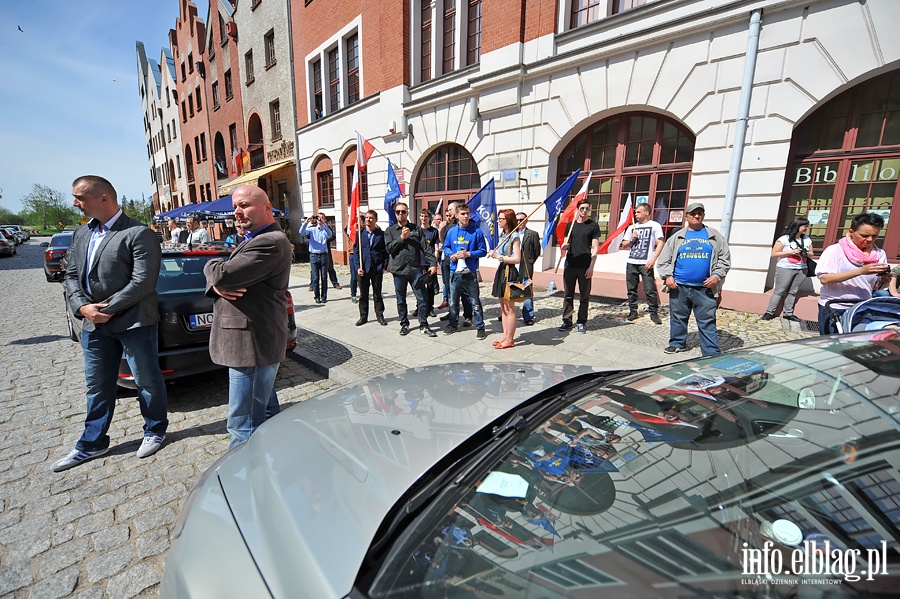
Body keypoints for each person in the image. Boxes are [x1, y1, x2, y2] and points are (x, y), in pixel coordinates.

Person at [53, 175, 168, 471]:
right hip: (94, 326)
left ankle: (154, 429)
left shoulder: (138, 233)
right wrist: (83, 307)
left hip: (134, 323)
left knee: (147, 381)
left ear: (104, 198)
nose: (74, 202)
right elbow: (70, 276)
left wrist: (105, 308)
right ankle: (91, 444)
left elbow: (142, 282)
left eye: (80, 197)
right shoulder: (81, 234)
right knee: (98, 386)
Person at [203, 185, 292, 448]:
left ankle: (241, 479)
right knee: (264, 413)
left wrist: (212, 271)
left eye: (245, 205)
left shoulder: (269, 242)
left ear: (267, 208)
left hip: (251, 343)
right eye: (235, 207)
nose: (238, 212)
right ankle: (276, 462)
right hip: (252, 342)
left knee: (243, 425)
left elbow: (222, 274)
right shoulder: (254, 238)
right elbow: (223, 278)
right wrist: (218, 281)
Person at [656, 202, 731, 356]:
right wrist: (667, 276)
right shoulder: (677, 237)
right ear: (687, 216)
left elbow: (724, 259)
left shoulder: (714, 236)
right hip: (679, 287)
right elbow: (664, 260)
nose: (697, 216)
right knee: (677, 318)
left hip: (704, 288)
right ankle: (677, 343)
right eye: (693, 213)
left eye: (700, 213)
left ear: (703, 215)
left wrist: (717, 276)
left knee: (707, 320)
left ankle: (710, 351)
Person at [815, 212, 890, 334]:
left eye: (874, 236)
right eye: (864, 235)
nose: (869, 240)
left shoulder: (879, 253)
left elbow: (875, 286)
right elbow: (825, 279)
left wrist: (885, 280)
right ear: (851, 232)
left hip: (861, 307)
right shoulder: (835, 250)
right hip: (835, 306)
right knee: (832, 346)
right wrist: (860, 271)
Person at [385, 202, 439, 337]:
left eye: (403, 211)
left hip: (415, 270)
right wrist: (401, 238)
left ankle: (424, 324)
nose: (401, 214)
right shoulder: (390, 231)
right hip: (399, 270)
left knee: (422, 298)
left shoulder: (416, 229)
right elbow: (389, 249)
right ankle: (404, 324)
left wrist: (433, 263)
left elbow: (426, 248)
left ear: (407, 213)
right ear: (395, 214)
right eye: (398, 212)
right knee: (401, 299)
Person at [442, 203, 488, 339]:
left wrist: (469, 254)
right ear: (456, 216)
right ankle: (453, 323)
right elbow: (446, 247)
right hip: (455, 272)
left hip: (470, 273)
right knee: (453, 301)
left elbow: (483, 251)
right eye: (463, 214)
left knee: (475, 301)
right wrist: (452, 254)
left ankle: (480, 326)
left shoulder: (476, 231)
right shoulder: (451, 231)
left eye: (467, 213)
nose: (466, 216)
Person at [559, 197, 600, 334]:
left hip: (584, 266)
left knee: (584, 296)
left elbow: (595, 248)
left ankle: (581, 322)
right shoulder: (570, 225)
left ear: (590, 210)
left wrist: (591, 267)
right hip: (570, 264)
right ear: (577, 210)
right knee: (568, 295)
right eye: (582, 208)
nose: (584, 211)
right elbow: (565, 243)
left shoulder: (593, 226)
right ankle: (567, 320)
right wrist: (564, 246)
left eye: (587, 208)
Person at [620, 202, 664, 324]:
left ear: (646, 212)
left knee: (650, 289)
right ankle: (633, 311)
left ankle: (653, 313)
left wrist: (653, 260)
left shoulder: (655, 226)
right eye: (635, 212)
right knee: (631, 289)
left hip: (646, 262)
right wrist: (632, 239)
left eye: (638, 212)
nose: (635, 214)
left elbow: (660, 243)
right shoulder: (631, 227)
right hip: (632, 262)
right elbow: (624, 244)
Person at [762, 217, 812, 322]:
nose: (806, 228)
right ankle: (769, 312)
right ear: (797, 226)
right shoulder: (784, 239)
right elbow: (774, 254)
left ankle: (788, 313)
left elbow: (811, 253)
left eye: (807, 226)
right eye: (805, 226)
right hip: (785, 268)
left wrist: (806, 253)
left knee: (793, 292)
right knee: (779, 291)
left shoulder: (807, 239)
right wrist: (790, 252)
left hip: (802, 268)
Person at [488, 209, 522, 349]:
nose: (498, 221)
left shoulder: (514, 236)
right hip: (501, 271)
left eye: (501, 218)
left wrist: (498, 256)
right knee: (503, 308)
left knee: (509, 308)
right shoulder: (503, 235)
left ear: (508, 220)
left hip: (510, 272)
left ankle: (510, 339)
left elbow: (517, 258)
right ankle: (505, 335)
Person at [356, 210, 389, 326]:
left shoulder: (381, 234)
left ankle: (380, 316)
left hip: (376, 269)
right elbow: (356, 252)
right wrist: (357, 267)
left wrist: (384, 266)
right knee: (363, 295)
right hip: (363, 268)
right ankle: (363, 317)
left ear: (375, 220)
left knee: (377, 294)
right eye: (367, 218)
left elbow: (385, 252)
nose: (368, 220)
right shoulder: (360, 234)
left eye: (371, 218)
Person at [299, 214, 332, 303]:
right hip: (314, 255)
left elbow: (330, 234)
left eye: (320, 218)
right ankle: (316, 296)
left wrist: (323, 224)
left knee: (324, 277)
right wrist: (306, 222)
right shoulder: (311, 229)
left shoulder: (324, 230)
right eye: (318, 218)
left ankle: (324, 296)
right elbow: (301, 232)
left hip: (323, 255)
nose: (318, 219)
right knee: (315, 277)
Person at [516, 212, 541, 325]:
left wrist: (530, 262)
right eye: (517, 220)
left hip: (525, 267)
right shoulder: (511, 233)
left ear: (526, 221)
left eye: (521, 220)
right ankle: (507, 314)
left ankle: (528, 316)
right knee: (508, 291)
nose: (519, 222)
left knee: (526, 290)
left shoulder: (532, 234)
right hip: (512, 267)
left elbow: (536, 251)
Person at [419, 209, 440, 317]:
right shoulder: (417, 230)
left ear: (429, 218)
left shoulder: (434, 231)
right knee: (419, 286)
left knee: (430, 286)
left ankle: (430, 307)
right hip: (419, 262)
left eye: (426, 216)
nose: (423, 218)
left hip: (430, 262)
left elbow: (436, 247)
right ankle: (420, 307)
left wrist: (434, 262)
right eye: (422, 216)